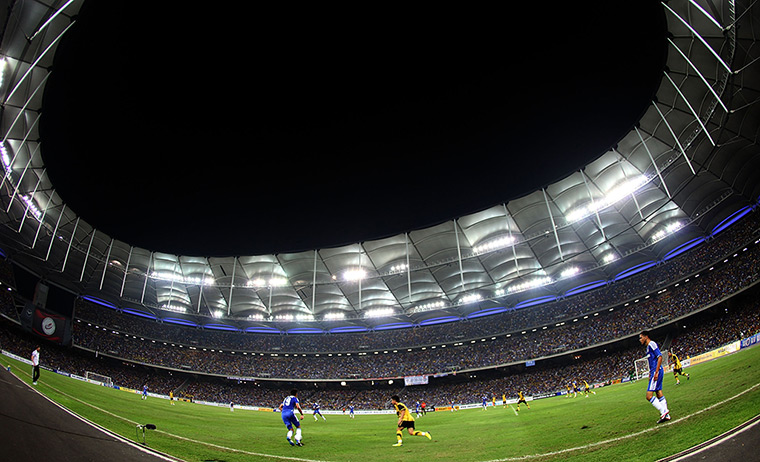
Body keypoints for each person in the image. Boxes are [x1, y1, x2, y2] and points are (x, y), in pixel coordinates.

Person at [639, 330, 671, 423]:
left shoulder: (652, 344)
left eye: (641, 337)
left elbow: (660, 356)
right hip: (654, 371)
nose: (640, 340)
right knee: (658, 392)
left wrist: (656, 372)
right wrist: (651, 372)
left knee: (649, 396)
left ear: (646, 337)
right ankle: (667, 416)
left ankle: (663, 411)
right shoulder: (648, 347)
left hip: (656, 372)